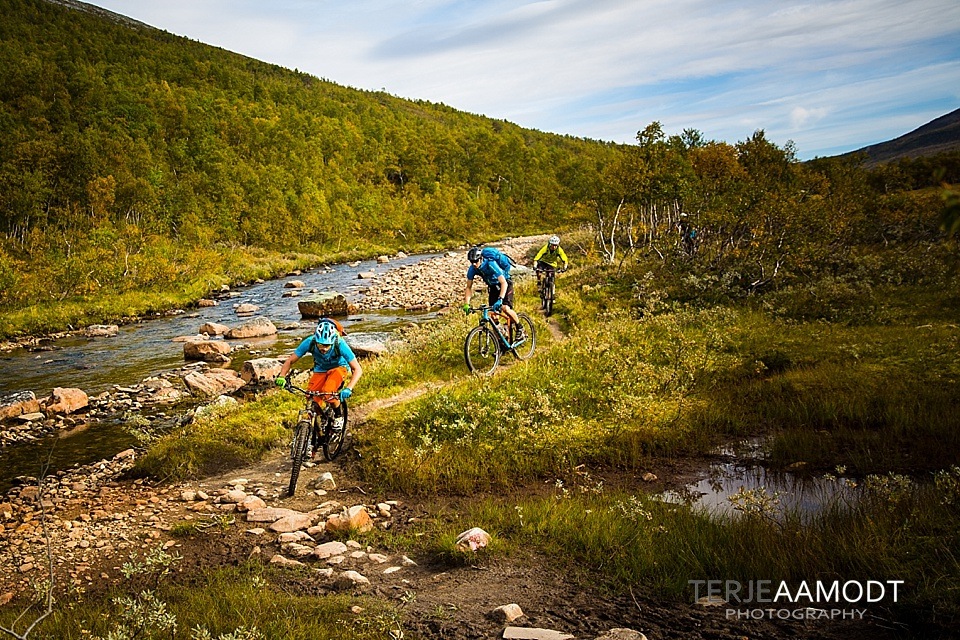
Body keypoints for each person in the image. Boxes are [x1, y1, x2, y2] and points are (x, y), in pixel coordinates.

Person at [275, 319, 362, 428]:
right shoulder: (309, 342)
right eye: (321, 345)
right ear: (316, 340)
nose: (324, 349)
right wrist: (282, 376)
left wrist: (349, 388)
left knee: (328, 392)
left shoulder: (339, 344)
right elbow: (290, 361)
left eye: (327, 345)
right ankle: (317, 423)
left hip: (339, 368)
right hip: (320, 369)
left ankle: (338, 417)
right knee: (311, 398)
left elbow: (357, 369)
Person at [461, 245, 524, 337]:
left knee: (505, 308)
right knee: (493, 316)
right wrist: (466, 304)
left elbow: (504, 283)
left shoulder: (490, 264)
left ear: (481, 258)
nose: (474, 264)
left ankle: (520, 328)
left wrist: (500, 299)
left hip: (505, 284)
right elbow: (468, 287)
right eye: (471, 262)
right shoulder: (472, 269)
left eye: (476, 261)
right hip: (493, 288)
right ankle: (501, 338)